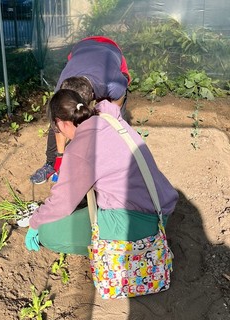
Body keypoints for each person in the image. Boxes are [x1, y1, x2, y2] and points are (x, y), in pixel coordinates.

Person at [25, 89, 179, 255]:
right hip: (160, 204)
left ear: (61, 123)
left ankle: (126, 250)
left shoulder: (80, 148)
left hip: (135, 221)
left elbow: (63, 202)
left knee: (48, 232)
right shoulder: (110, 118)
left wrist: (35, 223)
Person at [30, 36, 131, 185]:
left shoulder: (113, 85)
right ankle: (50, 165)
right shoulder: (62, 87)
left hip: (111, 51)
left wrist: (106, 115)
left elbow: (119, 97)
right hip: (81, 49)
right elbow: (57, 122)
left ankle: (109, 163)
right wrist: (60, 157)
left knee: (113, 121)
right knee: (59, 116)